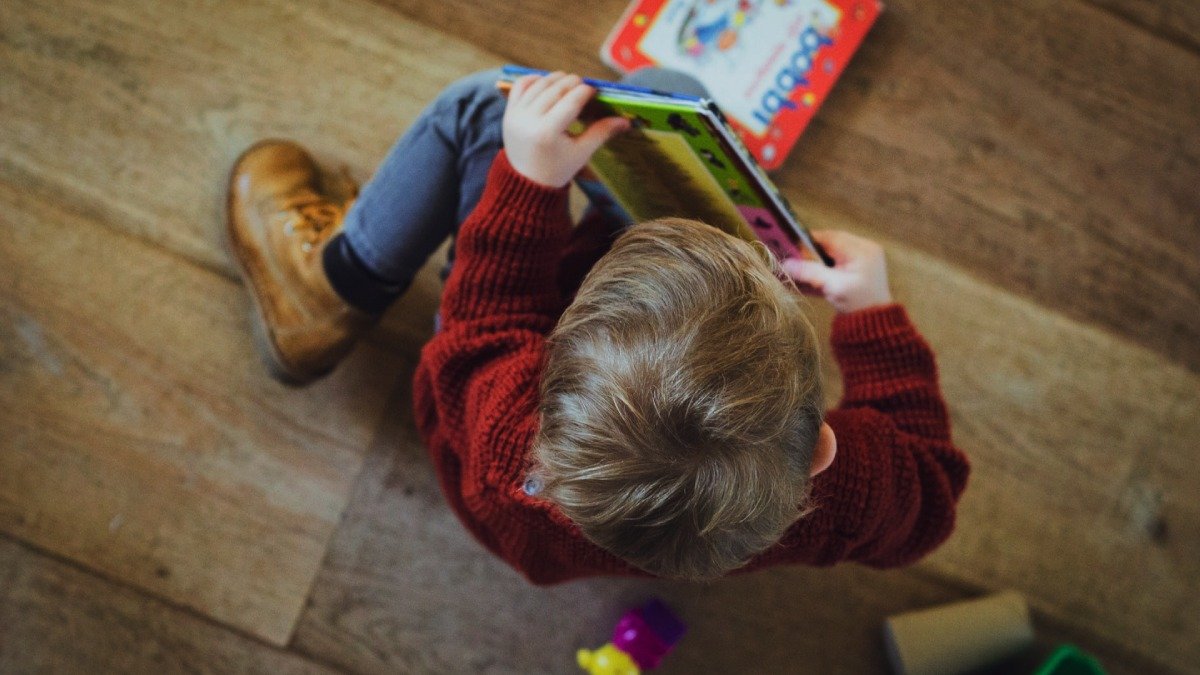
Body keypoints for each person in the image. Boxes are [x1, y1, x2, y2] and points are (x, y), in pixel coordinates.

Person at [226, 69, 969, 583]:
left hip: (477, 382)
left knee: (482, 107)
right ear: (820, 451)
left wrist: (528, 182)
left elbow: (492, 317)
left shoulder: (511, 429)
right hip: (606, 523)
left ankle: (327, 290)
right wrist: (871, 316)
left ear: (558, 359)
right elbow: (930, 495)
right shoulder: (845, 489)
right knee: (670, 97)